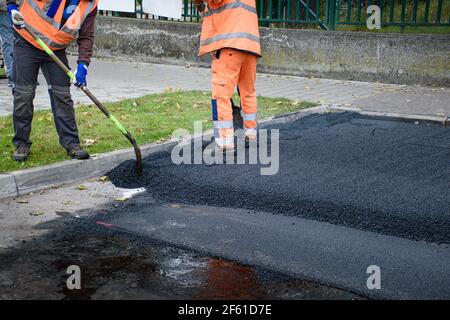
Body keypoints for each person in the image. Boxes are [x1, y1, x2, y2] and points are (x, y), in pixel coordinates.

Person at [7, 0, 98, 162]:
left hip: (55, 50)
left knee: (62, 96)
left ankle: (72, 144)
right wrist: (12, 6)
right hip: (27, 40)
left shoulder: (90, 4)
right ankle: (21, 143)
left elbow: (86, 36)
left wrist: (83, 64)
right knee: (24, 95)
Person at [194, 0, 261, 152]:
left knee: (221, 96)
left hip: (230, 47)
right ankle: (251, 134)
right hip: (250, 48)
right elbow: (215, 13)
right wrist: (199, 5)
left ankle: (225, 141)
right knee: (248, 92)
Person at [0, 0, 14, 86]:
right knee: (8, 42)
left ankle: (12, 76)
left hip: (6, 8)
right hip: (6, 8)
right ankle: (12, 76)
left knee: (8, 42)